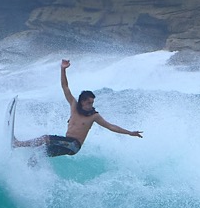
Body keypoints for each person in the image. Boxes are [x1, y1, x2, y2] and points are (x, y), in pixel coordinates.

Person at [13, 59, 143, 157]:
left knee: (45, 138)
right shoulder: (74, 106)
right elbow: (65, 87)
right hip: (66, 144)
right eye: (89, 103)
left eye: (92, 103)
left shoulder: (94, 116)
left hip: (74, 145)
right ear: (82, 102)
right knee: (38, 155)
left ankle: (18, 144)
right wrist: (63, 69)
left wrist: (130, 132)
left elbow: (111, 126)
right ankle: (33, 176)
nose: (91, 105)